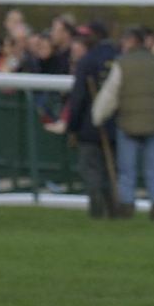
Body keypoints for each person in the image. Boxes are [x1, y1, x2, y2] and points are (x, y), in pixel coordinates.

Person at [92, 27, 154, 220]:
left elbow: (110, 93)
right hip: (153, 122)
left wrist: (98, 115)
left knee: (127, 170)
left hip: (128, 123)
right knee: (153, 170)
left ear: (131, 42)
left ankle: (127, 205)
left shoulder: (122, 63)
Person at [66, 26, 119, 218]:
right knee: (109, 168)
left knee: (92, 170)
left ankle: (98, 210)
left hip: (89, 127)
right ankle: (112, 209)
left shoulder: (86, 62)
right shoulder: (118, 57)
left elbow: (77, 99)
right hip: (115, 125)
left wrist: (72, 127)